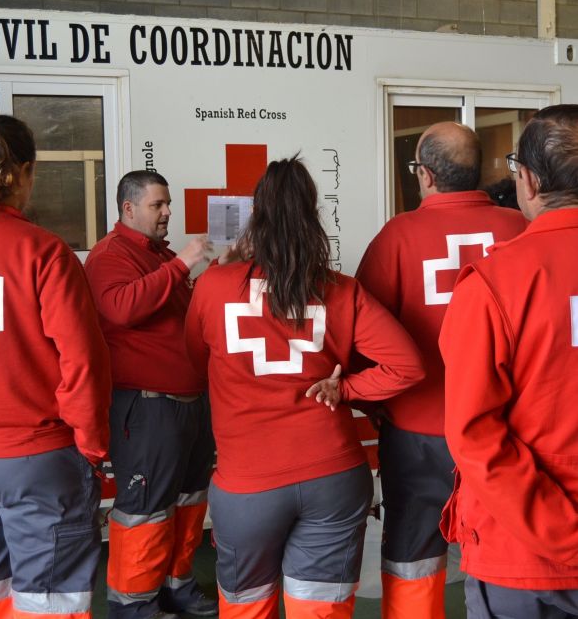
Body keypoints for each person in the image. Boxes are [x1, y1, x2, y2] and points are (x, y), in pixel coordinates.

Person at [184, 156, 426, 619]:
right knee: (320, 611)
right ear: (311, 214)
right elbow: (407, 367)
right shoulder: (341, 289)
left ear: (258, 215)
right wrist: (347, 389)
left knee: (245, 609)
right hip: (332, 476)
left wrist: (228, 271)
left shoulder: (213, 288)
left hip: (247, 485)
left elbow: (197, 365)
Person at [355, 122, 528, 619]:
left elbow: (363, 337)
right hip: (507, 429)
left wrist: (377, 405)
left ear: (425, 175)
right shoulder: (519, 230)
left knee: (414, 551)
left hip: (417, 431)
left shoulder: (397, 237)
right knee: (505, 547)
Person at [0, 115, 111, 618]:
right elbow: (83, 361)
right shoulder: (44, 251)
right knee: (51, 600)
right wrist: (91, 446)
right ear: (24, 173)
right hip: (36, 457)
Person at [439, 104, 578, 618]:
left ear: (529, 181)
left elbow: (474, 433)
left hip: (524, 558)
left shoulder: (495, 285)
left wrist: (562, 535)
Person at [84, 170, 218, 619]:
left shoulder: (159, 255)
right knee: (145, 509)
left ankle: (175, 585)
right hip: (146, 406)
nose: (167, 213)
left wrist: (214, 273)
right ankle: (133, 603)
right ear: (128, 208)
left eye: (168, 205)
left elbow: (181, 315)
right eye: (158, 205)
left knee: (188, 500)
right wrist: (183, 264)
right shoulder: (109, 255)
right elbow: (122, 309)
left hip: (191, 404)